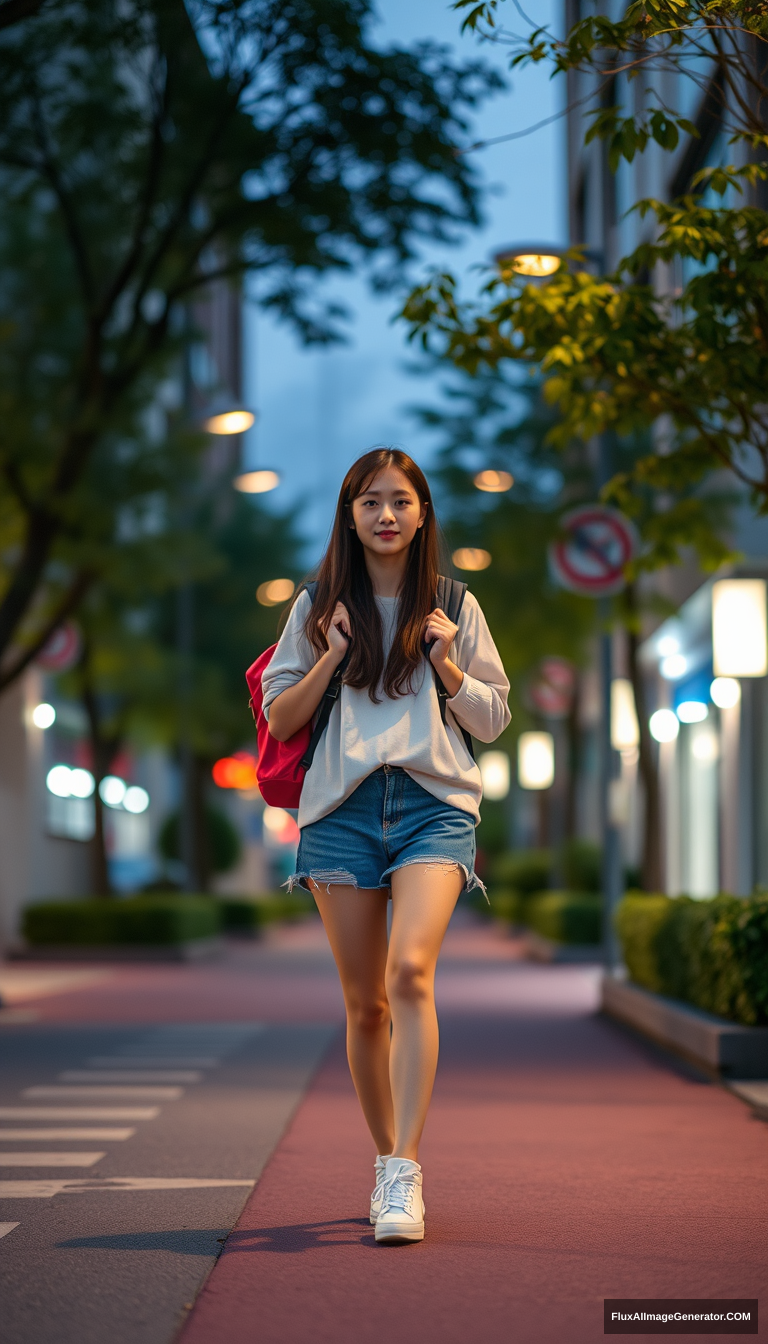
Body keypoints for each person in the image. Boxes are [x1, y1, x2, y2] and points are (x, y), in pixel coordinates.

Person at [263, 448, 510, 1244]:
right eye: (370, 502)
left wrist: (447, 667)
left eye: (401, 501)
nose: (386, 516)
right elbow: (282, 719)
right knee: (365, 1004)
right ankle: (383, 1164)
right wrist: (331, 651)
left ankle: (406, 1169)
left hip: (433, 806)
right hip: (339, 810)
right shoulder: (314, 607)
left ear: (422, 514)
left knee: (411, 972)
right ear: (350, 515)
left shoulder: (454, 605)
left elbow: (495, 719)